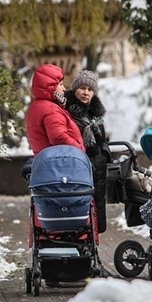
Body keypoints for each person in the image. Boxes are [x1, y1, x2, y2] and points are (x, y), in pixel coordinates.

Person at [64, 70, 110, 233]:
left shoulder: (96, 114)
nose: (86, 92)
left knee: (97, 205)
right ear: (75, 88)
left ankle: (93, 237)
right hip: (77, 164)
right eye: (82, 88)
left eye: (90, 89)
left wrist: (104, 152)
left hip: (97, 165)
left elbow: (102, 139)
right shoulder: (67, 110)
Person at [25, 64, 85, 156]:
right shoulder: (50, 109)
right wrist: (80, 149)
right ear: (50, 86)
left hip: (48, 163)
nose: (64, 89)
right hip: (62, 163)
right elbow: (58, 137)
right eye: (60, 85)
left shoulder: (37, 106)